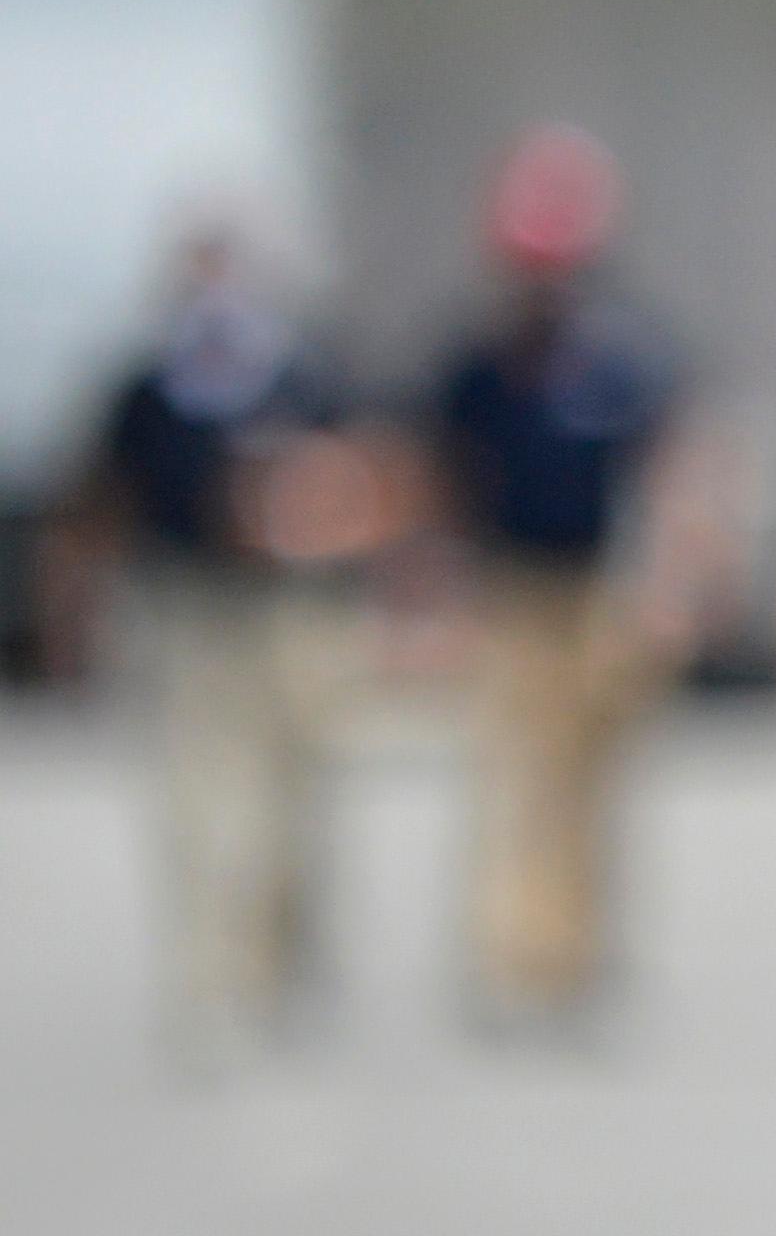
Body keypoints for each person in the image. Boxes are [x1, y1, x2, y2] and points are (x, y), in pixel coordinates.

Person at [73, 216, 382, 1054]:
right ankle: (213, 976)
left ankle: (284, 959)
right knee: (200, 801)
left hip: (294, 612)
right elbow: (103, 498)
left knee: (293, 800)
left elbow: (365, 482)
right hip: (190, 608)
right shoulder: (148, 386)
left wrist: (308, 523)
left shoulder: (302, 375)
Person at [429, 127, 685, 1035]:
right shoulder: (476, 367)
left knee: (589, 785)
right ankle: (509, 961)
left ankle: (576, 961)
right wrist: (431, 598)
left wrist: (667, 586)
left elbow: (671, 474)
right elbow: (442, 485)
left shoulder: (625, 361)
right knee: (510, 782)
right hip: (509, 595)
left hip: (594, 593)